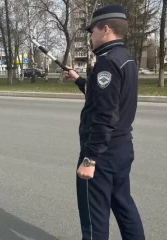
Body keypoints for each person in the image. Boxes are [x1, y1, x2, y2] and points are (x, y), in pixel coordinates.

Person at [64, 5, 145, 240]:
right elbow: (106, 98)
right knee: (123, 205)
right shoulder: (125, 59)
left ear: (106, 29)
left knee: (94, 217)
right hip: (121, 148)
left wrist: (90, 158)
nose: (91, 36)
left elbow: (104, 116)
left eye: (93, 31)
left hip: (103, 153)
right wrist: (79, 80)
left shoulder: (107, 62)